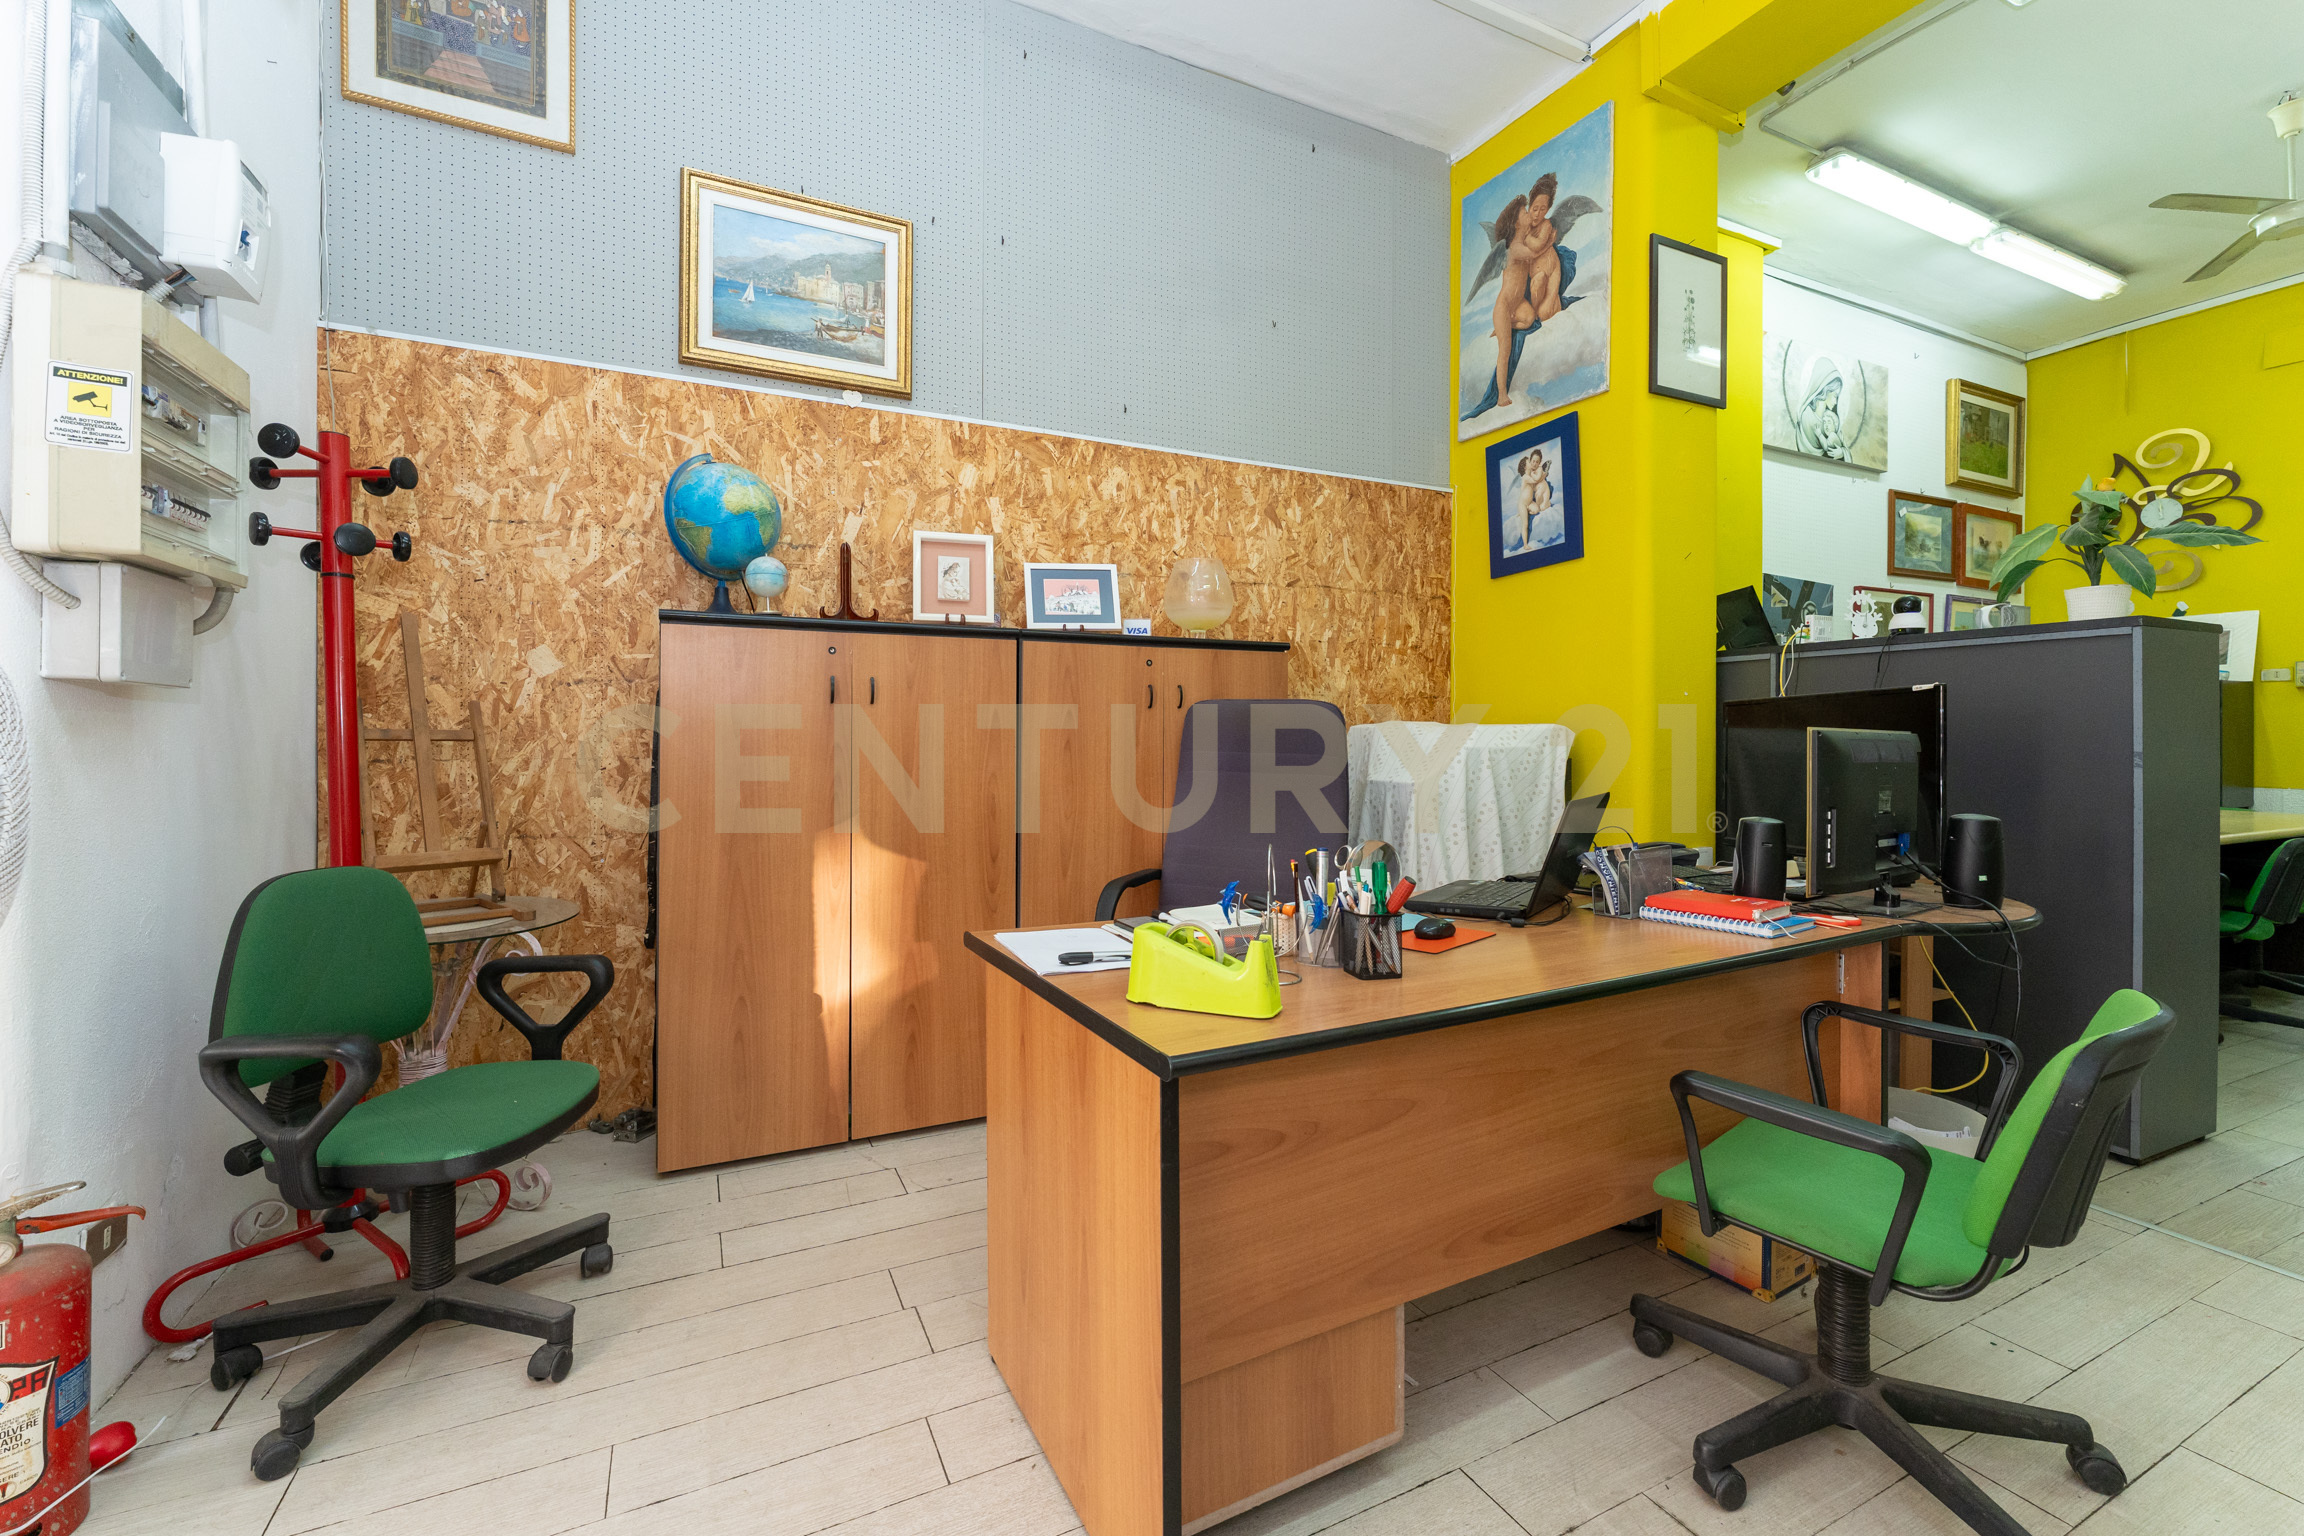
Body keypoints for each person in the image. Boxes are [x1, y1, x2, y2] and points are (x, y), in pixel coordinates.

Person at [1488, 175, 1565, 409]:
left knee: (1529, 318)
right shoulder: (1515, 246)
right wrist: (1549, 242)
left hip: (1518, 303)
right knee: (1505, 350)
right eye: (1525, 212)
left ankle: (1508, 325)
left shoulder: (1528, 237)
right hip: (1504, 306)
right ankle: (1502, 394)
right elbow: (1533, 254)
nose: (1529, 215)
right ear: (1516, 222)